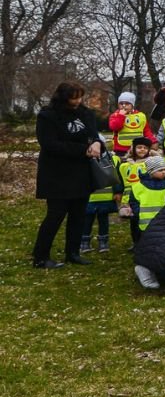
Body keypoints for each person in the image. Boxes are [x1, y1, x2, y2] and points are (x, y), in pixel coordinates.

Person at [32, 81, 102, 269]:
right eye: (74, 97)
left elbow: (94, 134)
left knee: (79, 215)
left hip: (81, 173)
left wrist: (96, 143)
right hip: (57, 174)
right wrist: (83, 150)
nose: (78, 101)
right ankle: (40, 256)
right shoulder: (48, 116)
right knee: (55, 215)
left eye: (80, 96)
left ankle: (73, 252)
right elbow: (50, 144)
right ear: (63, 97)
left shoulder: (85, 113)